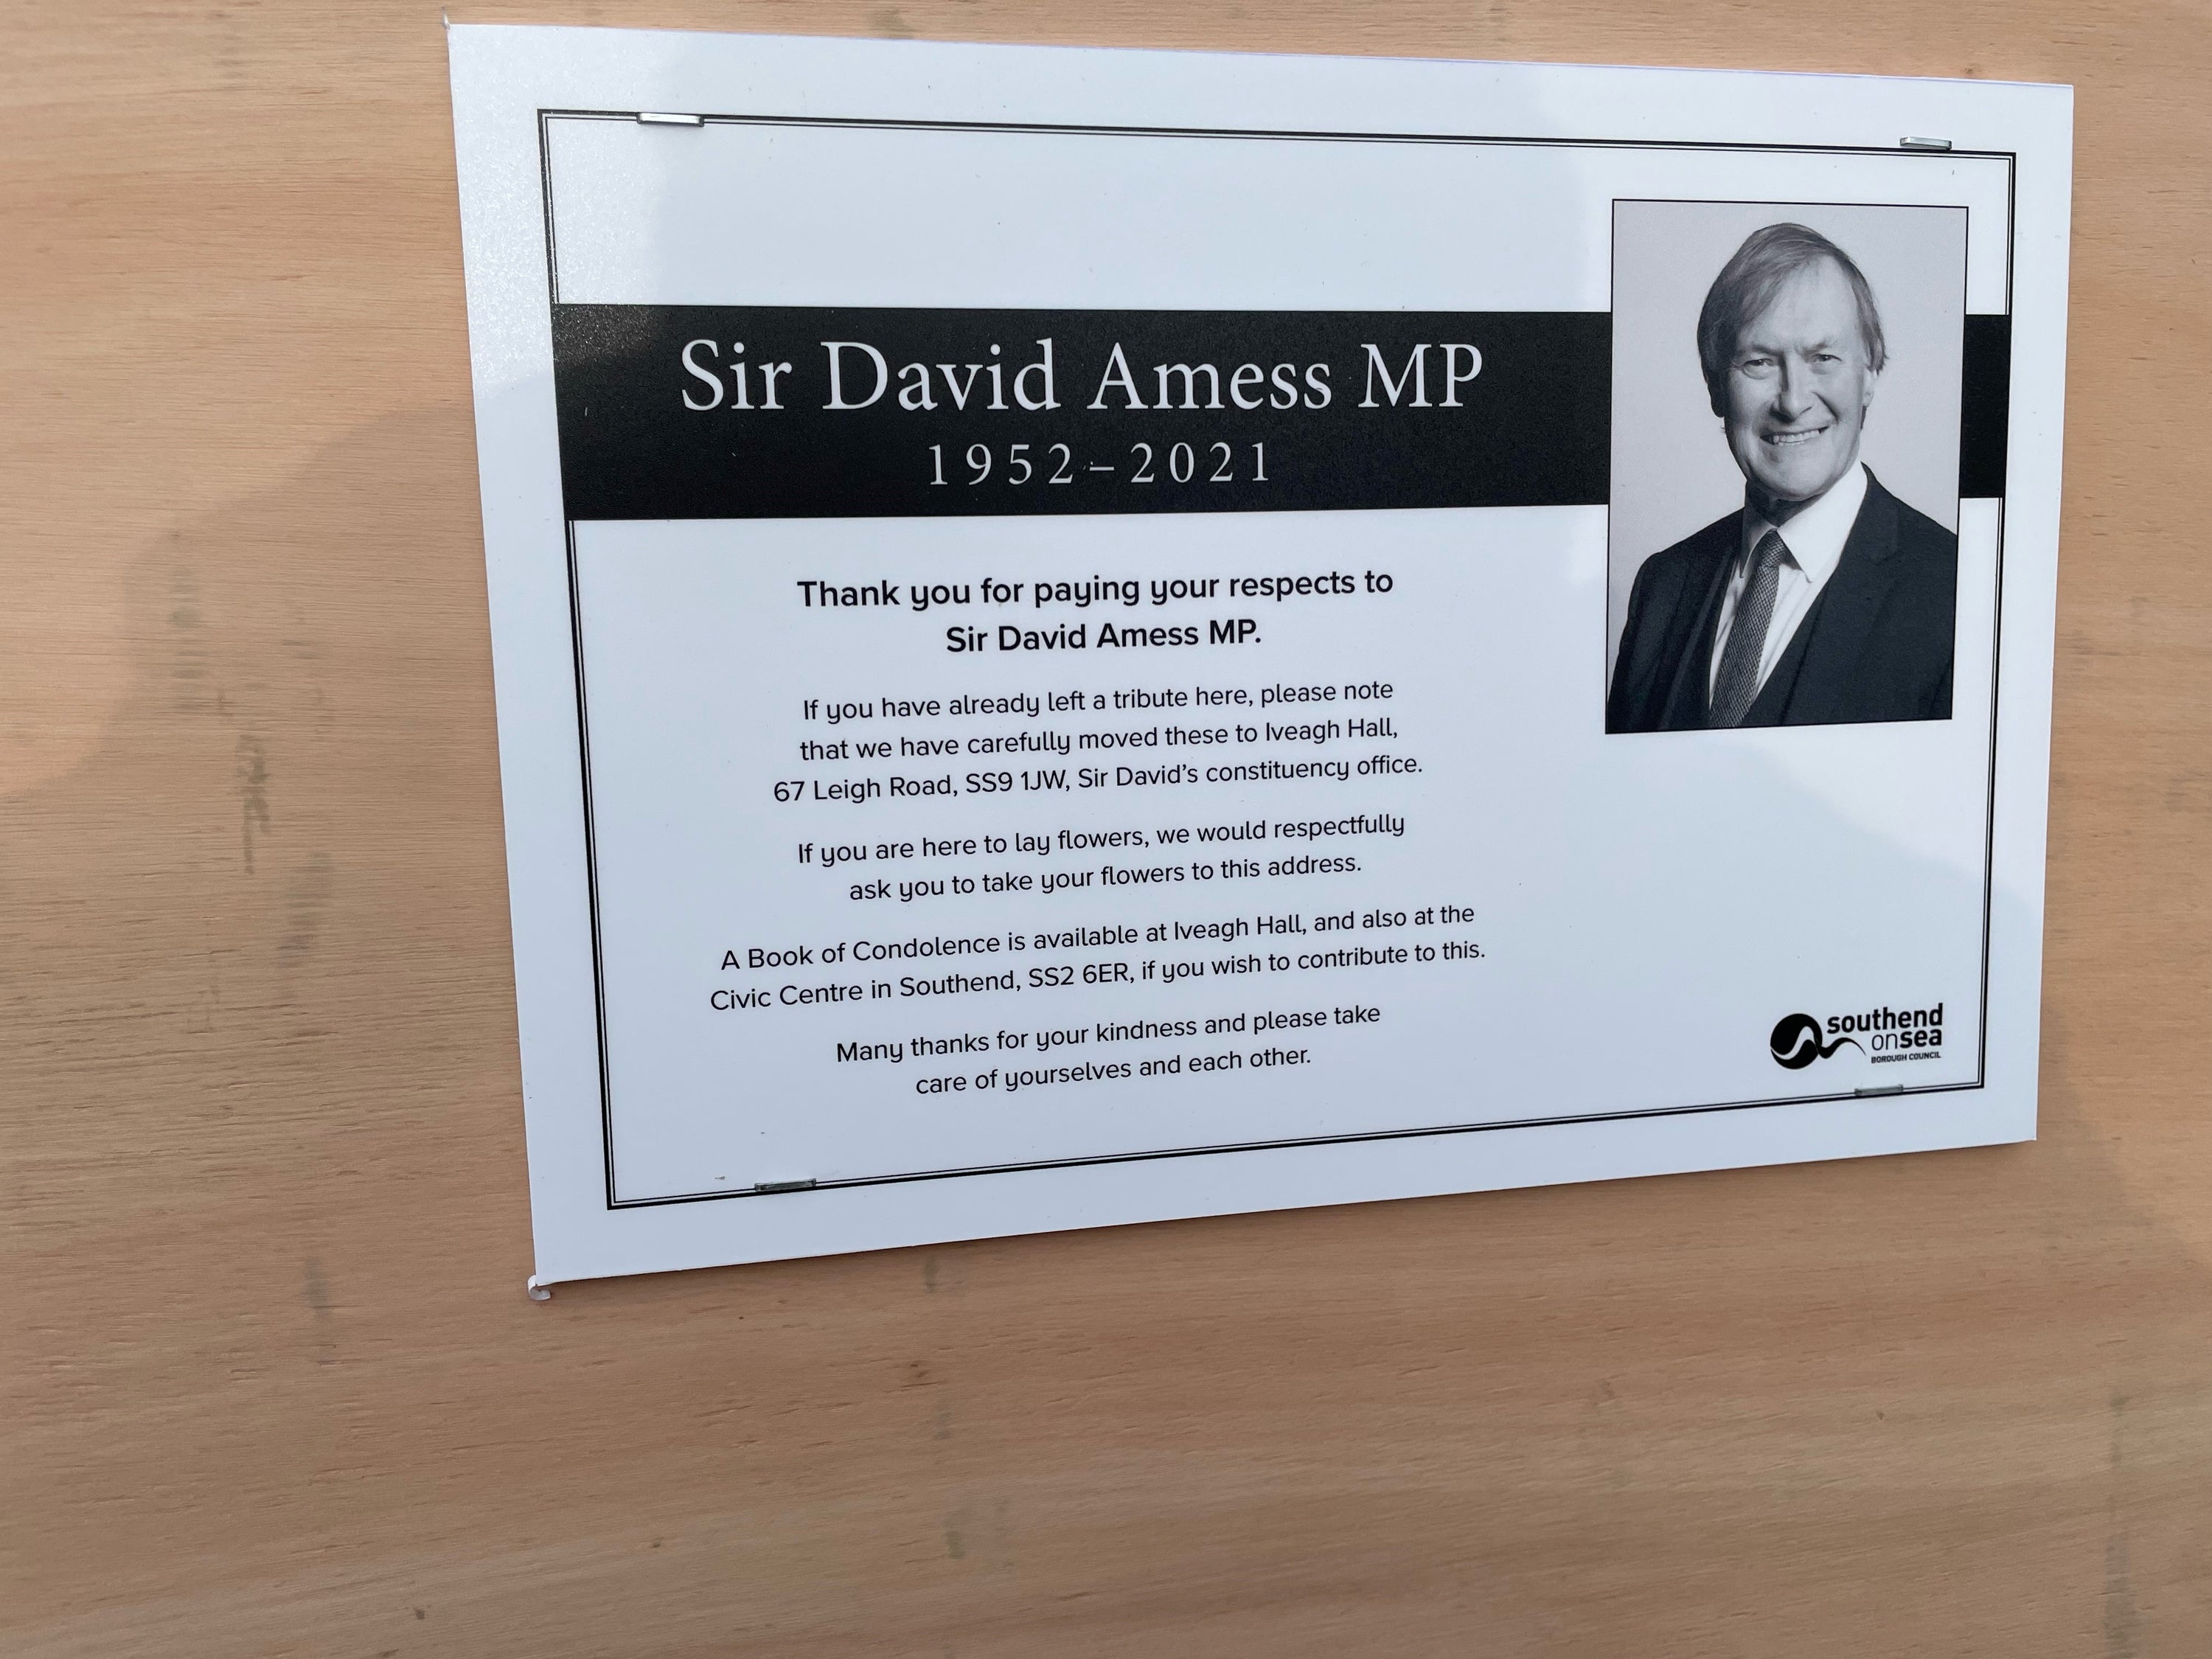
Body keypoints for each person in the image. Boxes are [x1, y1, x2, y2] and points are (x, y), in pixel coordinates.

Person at [1606, 223, 1956, 732]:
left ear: (1871, 372)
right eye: (1760, 362)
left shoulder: (1954, 590)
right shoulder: (1663, 585)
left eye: (1823, 359)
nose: (1793, 401)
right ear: (1714, 386)